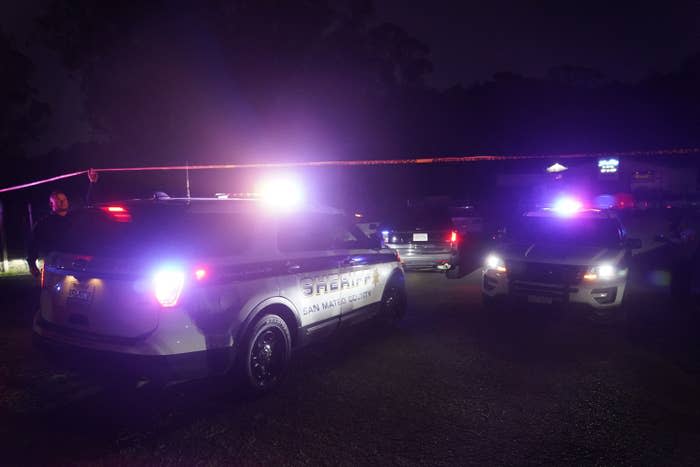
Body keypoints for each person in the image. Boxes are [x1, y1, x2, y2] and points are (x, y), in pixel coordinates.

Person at [27, 190, 71, 278]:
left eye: (64, 199)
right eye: (59, 200)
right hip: (53, 264)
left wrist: (92, 183)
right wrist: (32, 265)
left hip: (74, 262)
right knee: (50, 290)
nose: (62, 202)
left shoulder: (75, 219)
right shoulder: (44, 223)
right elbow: (33, 244)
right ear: (51, 204)